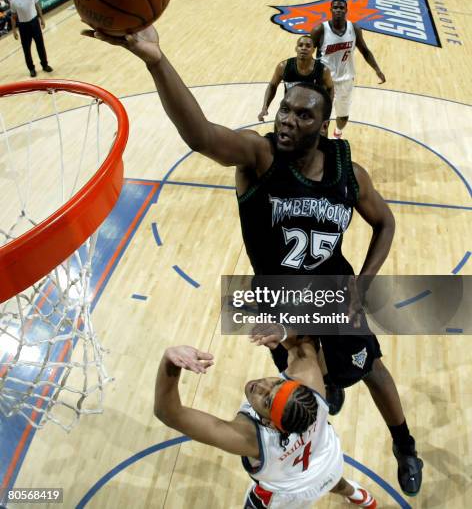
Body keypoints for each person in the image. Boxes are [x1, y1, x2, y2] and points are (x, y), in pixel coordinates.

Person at [82, 25, 422, 496]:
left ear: (322, 126)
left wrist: (362, 284)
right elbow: (200, 135)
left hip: (335, 294)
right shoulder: (259, 157)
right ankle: (329, 386)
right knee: (300, 371)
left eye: (303, 115)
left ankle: (404, 444)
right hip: (279, 300)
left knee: (370, 369)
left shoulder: (348, 172)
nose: (287, 120)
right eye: (285, 109)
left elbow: (385, 223)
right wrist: (155, 60)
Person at [154, 335, 377, 507]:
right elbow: (304, 341)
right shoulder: (309, 392)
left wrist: (170, 363)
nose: (260, 386)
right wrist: (282, 333)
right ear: (296, 386)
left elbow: (169, 413)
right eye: (275, 384)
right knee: (332, 481)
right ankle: (359, 496)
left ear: (270, 424)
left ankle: (357, 495)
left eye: (266, 401)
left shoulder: (251, 437)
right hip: (327, 459)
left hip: (287, 495)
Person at [310, 0, 385, 138]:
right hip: (324, 81)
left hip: (346, 79)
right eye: (336, 7)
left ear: (346, 10)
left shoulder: (354, 28)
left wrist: (377, 69)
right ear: (331, 10)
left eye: (341, 8)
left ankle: (337, 133)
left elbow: (365, 51)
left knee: (343, 117)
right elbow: (307, 54)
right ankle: (322, 146)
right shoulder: (320, 29)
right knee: (322, 117)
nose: (338, 10)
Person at [258, 35, 334, 123]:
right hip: (289, 109)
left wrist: (326, 111)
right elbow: (272, 85)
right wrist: (265, 107)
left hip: (312, 112)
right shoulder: (283, 66)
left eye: (308, 46)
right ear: (296, 48)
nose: (303, 48)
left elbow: (330, 88)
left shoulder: (323, 70)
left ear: (313, 50)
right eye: (300, 45)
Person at [10, 0, 53, 77]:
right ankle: (32, 69)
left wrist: (42, 19)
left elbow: (38, 6)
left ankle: (45, 65)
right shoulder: (13, 1)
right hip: (23, 26)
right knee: (26, 50)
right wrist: (14, 30)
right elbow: (13, 17)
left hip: (34, 23)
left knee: (40, 46)